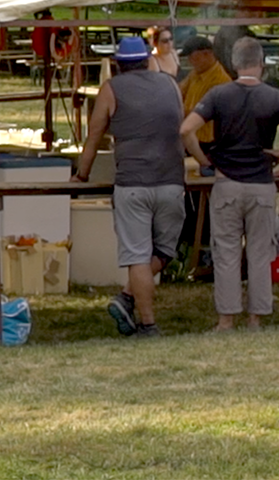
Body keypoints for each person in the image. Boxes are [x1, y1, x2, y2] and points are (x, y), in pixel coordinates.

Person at [183, 37, 279, 331]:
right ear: (261, 63)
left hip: (227, 182)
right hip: (261, 184)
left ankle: (226, 319)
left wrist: (204, 160)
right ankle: (256, 317)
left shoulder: (219, 94)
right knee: (260, 252)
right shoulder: (275, 98)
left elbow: (186, 129)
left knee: (227, 252)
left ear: (234, 63)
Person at [72, 36, 186, 338]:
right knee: (164, 250)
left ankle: (147, 323)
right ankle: (125, 298)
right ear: (148, 59)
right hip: (172, 180)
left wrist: (81, 174)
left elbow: (94, 135)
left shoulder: (111, 89)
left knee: (137, 255)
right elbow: (183, 128)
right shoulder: (171, 85)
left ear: (119, 64)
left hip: (133, 183)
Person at [179, 35, 231, 159]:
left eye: (193, 57)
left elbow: (196, 111)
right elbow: (179, 91)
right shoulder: (196, 73)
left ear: (207, 54)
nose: (191, 61)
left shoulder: (220, 81)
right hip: (191, 136)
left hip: (207, 142)